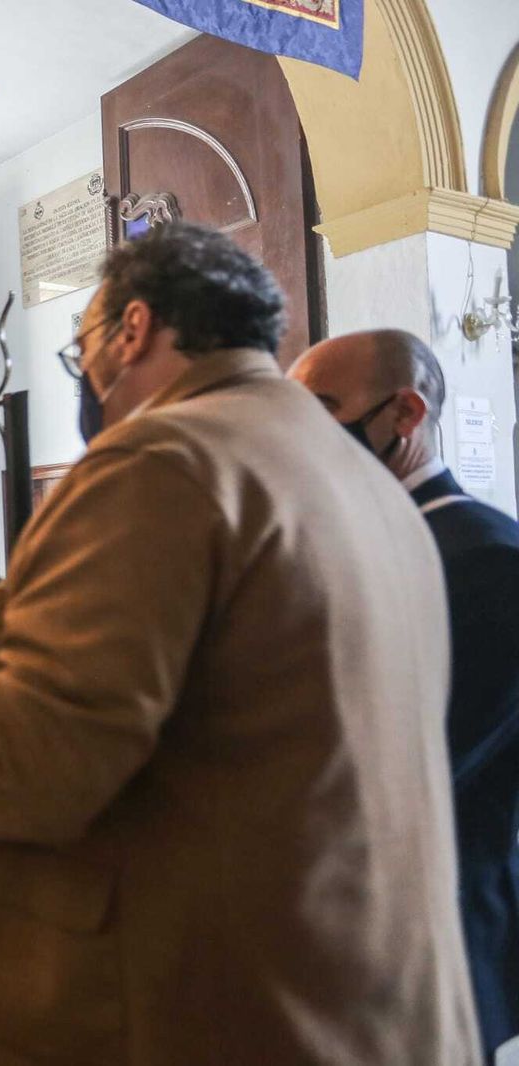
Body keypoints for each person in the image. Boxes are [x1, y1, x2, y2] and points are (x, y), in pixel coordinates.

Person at [0, 223, 480, 1064]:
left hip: (192, 1014)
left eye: (81, 345)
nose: (84, 375)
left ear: (133, 329)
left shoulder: (161, 460)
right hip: (354, 1003)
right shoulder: (363, 483)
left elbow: (25, 767)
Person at [290, 330, 519, 1062]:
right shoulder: (355, 541)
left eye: (321, 411)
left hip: (429, 942)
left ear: (405, 414)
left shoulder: (487, 557)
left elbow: (424, 762)